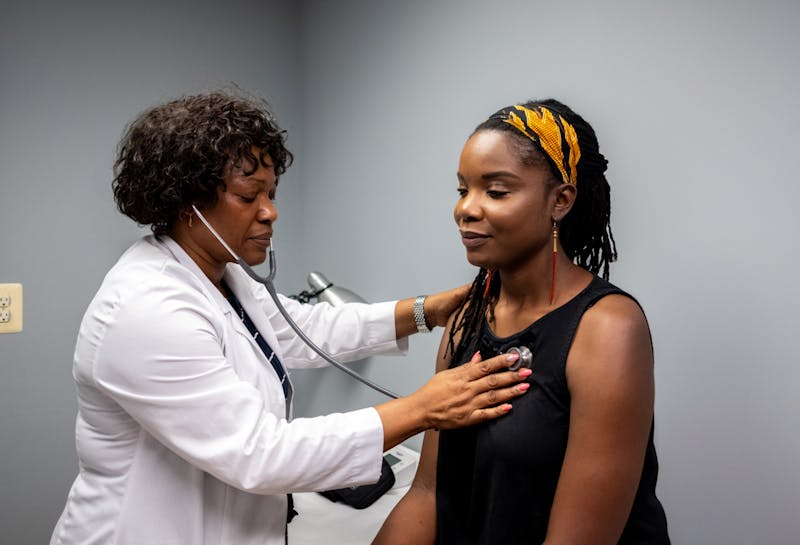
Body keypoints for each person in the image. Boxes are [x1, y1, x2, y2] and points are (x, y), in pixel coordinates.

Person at [48, 91, 532, 545]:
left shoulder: (223, 276)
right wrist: (423, 408)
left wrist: (426, 311)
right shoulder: (147, 309)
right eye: (249, 197)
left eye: (271, 194)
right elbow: (261, 453)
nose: (270, 213)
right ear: (187, 203)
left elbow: (304, 329)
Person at [372, 99, 670, 545]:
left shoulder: (607, 329)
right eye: (463, 190)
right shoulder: (467, 318)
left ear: (560, 200)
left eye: (496, 192)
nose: (466, 209)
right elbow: (428, 493)